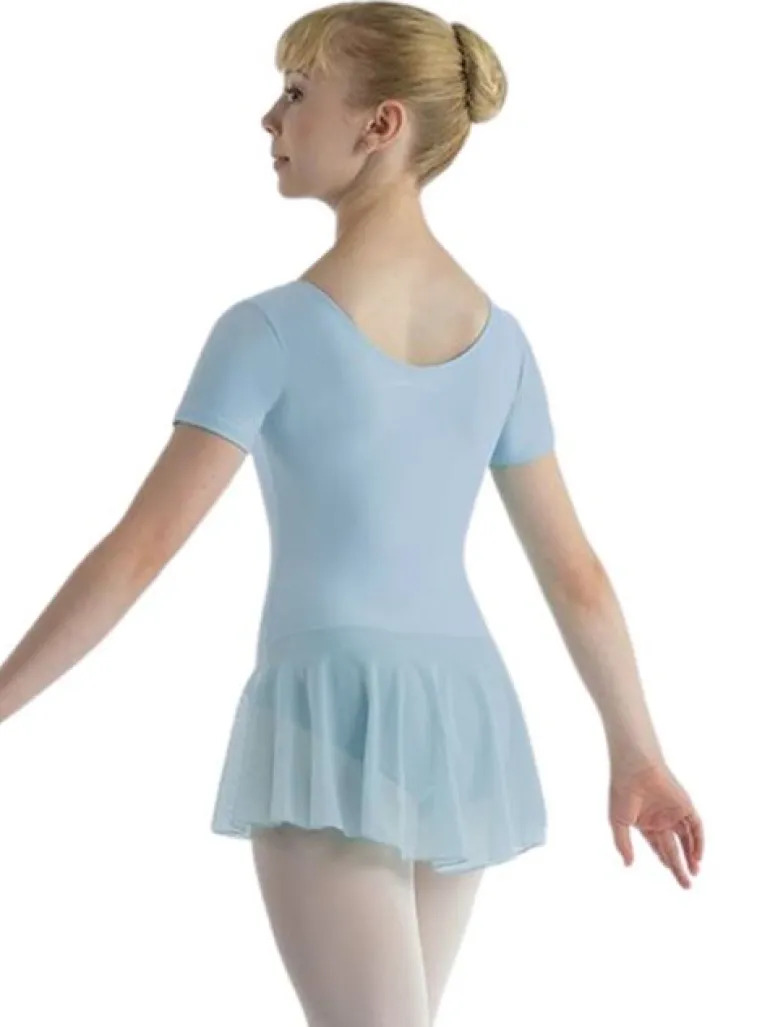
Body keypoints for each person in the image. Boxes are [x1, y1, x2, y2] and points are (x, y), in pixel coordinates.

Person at [0, 3, 704, 1025]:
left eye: (295, 93)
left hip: (327, 710)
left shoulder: (269, 331)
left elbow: (141, 549)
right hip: (462, 710)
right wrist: (637, 750)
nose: (269, 119)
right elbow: (576, 573)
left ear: (381, 124)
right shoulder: (501, 341)